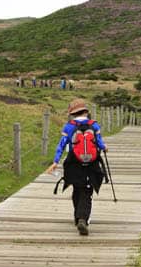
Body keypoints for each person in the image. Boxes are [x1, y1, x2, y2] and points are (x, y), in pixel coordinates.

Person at [46, 99, 107, 236]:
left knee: (77, 188)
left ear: (72, 114)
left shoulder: (69, 127)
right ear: (86, 112)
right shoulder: (94, 125)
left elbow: (61, 145)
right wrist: (104, 148)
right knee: (87, 190)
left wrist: (56, 161)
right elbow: (100, 143)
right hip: (91, 163)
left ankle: (78, 217)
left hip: (74, 163)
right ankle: (83, 218)